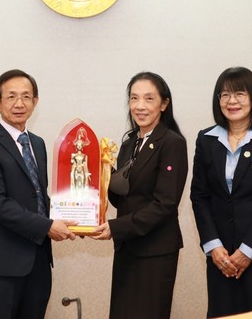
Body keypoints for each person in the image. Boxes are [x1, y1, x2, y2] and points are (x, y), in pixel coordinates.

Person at [0, 69, 78, 319]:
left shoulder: (37, 143)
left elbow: (39, 196)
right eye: (11, 97)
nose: (19, 103)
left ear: (35, 102)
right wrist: (48, 226)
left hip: (38, 262)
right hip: (1, 265)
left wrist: (75, 216)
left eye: (26, 97)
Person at [190, 67, 252, 316]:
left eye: (239, 94)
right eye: (224, 95)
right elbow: (200, 197)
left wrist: (247, 251)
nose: (232, 101)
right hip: (221, 259)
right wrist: (213, 247)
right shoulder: (206, 139)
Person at [93, 72, 188, 319]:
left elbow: (164, 204)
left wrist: (116, 227)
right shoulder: (129, 143)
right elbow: (123, 196)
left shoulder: (172, 143)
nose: (140, 106)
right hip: (128, 248)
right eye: (134, 98)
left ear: (164, 104)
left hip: (155, 251)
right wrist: (99, 174)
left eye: (148, 98)